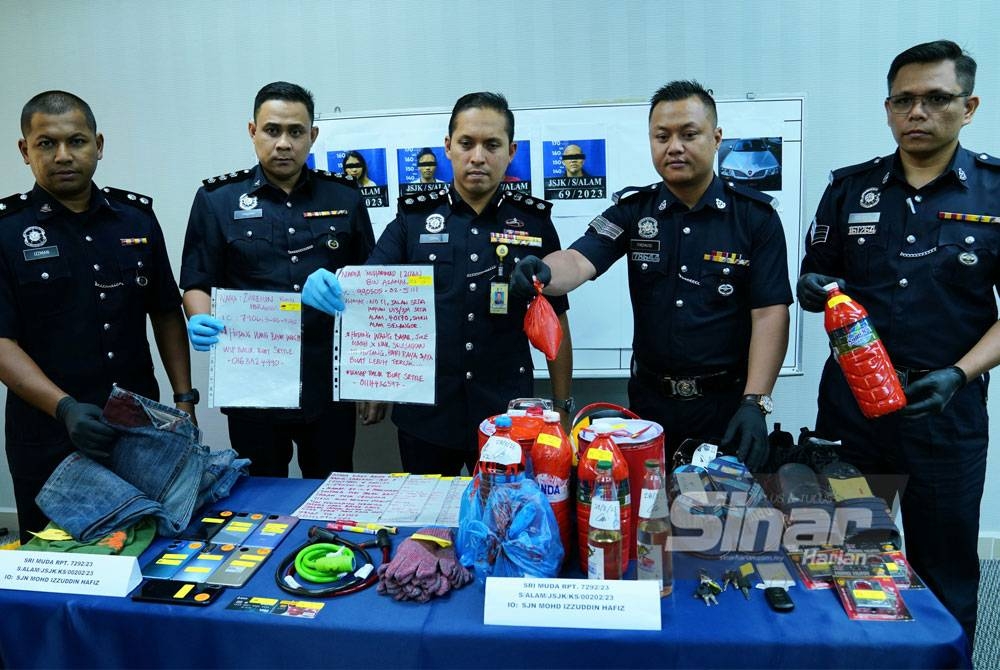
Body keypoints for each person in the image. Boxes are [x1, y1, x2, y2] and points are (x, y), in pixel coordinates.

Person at [797, 39, 996, 644]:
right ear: (887, 109)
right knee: (852, 559)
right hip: (854, 413)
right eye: (904, 100)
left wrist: (960, 373)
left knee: (944, 570)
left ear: (969, 107)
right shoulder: (849, 189)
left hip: (946, 411)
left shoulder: (994, 193)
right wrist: (811, 285)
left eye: (937, 98)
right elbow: (816, 270)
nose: (918, 112)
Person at [513, 80, 792, 470]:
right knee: (649, 520)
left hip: (725, 407)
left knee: (719, 523)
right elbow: (578, 260)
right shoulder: (635, 211)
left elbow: (770, 314)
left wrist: (755, 402)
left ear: (716, 138)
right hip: (649, 408)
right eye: (662, 136)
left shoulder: (754, 218)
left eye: (688, 134)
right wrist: (543, 270)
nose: (673, 146)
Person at [303, 92, 574, 475]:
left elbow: (555, 319)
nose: (478, 156)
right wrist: (372, 379)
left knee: (503, 521)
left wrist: (562, 408)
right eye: (466, 143)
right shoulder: (413, 219)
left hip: (506, 415)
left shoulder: (533, 223)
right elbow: (370, 293)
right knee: (427, 526)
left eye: (492, 145)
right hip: (426, 413)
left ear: (511, 151)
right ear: (448, 147)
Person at [0, 91, 195, 541]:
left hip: (135, 428)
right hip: (47, 433)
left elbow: (166, 313)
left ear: (99, 144)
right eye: (46, 143)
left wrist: (184, 401)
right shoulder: (6, 231)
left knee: (143, 547)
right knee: (54, 561)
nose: (63, 155)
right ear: (24, 150)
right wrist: (63, 407)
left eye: (77, 141)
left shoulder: (136, 220)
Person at [180, 81, 379, 479]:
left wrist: (368, 378)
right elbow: (197, 281)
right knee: (260, 500)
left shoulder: (344, 198)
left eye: (296, 132)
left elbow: (369, 289)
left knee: (330, 493)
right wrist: (198, 317)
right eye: (272, 130)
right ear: (253, 132)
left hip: (328, 384)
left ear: (313, 136)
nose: (284, 143)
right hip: (253, 382)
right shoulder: (217, 200)